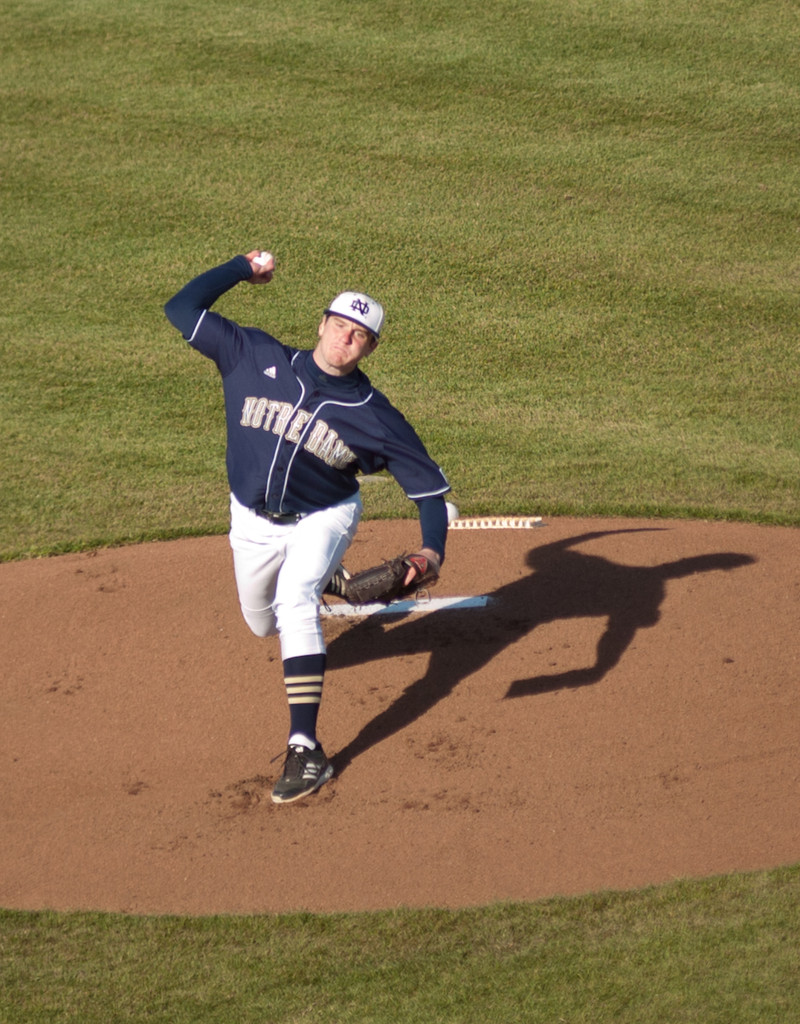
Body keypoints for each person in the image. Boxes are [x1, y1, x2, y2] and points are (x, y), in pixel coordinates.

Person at [164, 250, 450, 803]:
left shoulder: (375, 414)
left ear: (371, 348)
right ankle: (329, 579)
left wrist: (432, 551)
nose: (345, 339)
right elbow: (181, 308)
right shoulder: (252, 354)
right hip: (250, 522)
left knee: (296, 600)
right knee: (262, 626)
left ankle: (306, 749)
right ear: (320, 324)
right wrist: (242, 268)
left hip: (325, 515)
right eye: (340, 326)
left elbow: (430, 491)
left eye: (359, 336)